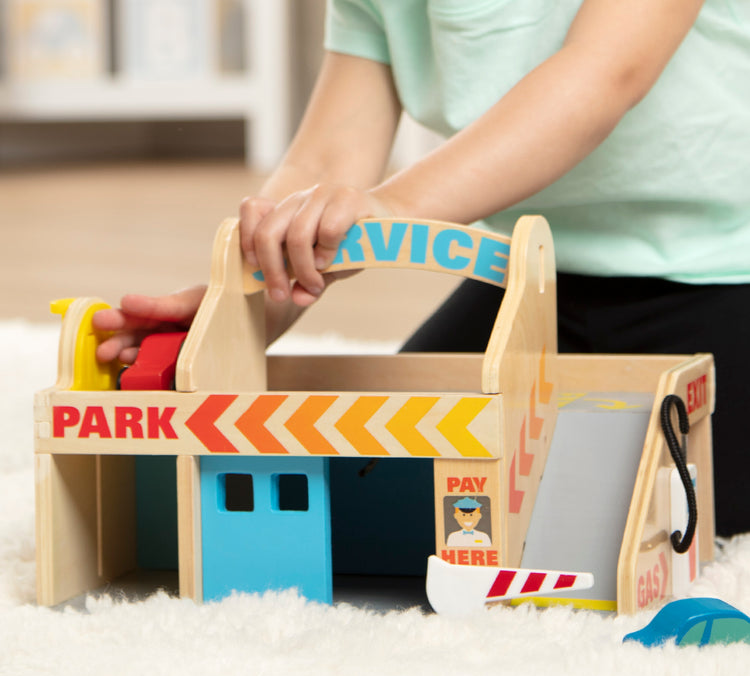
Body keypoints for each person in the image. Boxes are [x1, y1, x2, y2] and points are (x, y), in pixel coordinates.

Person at [93, 0, 750, 537]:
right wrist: (233, 312)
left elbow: (603, 76)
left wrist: (391, 209)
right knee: (388, 497)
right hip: (537, 282)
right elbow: (325, 164)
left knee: (653, 513)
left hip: (725, 272)